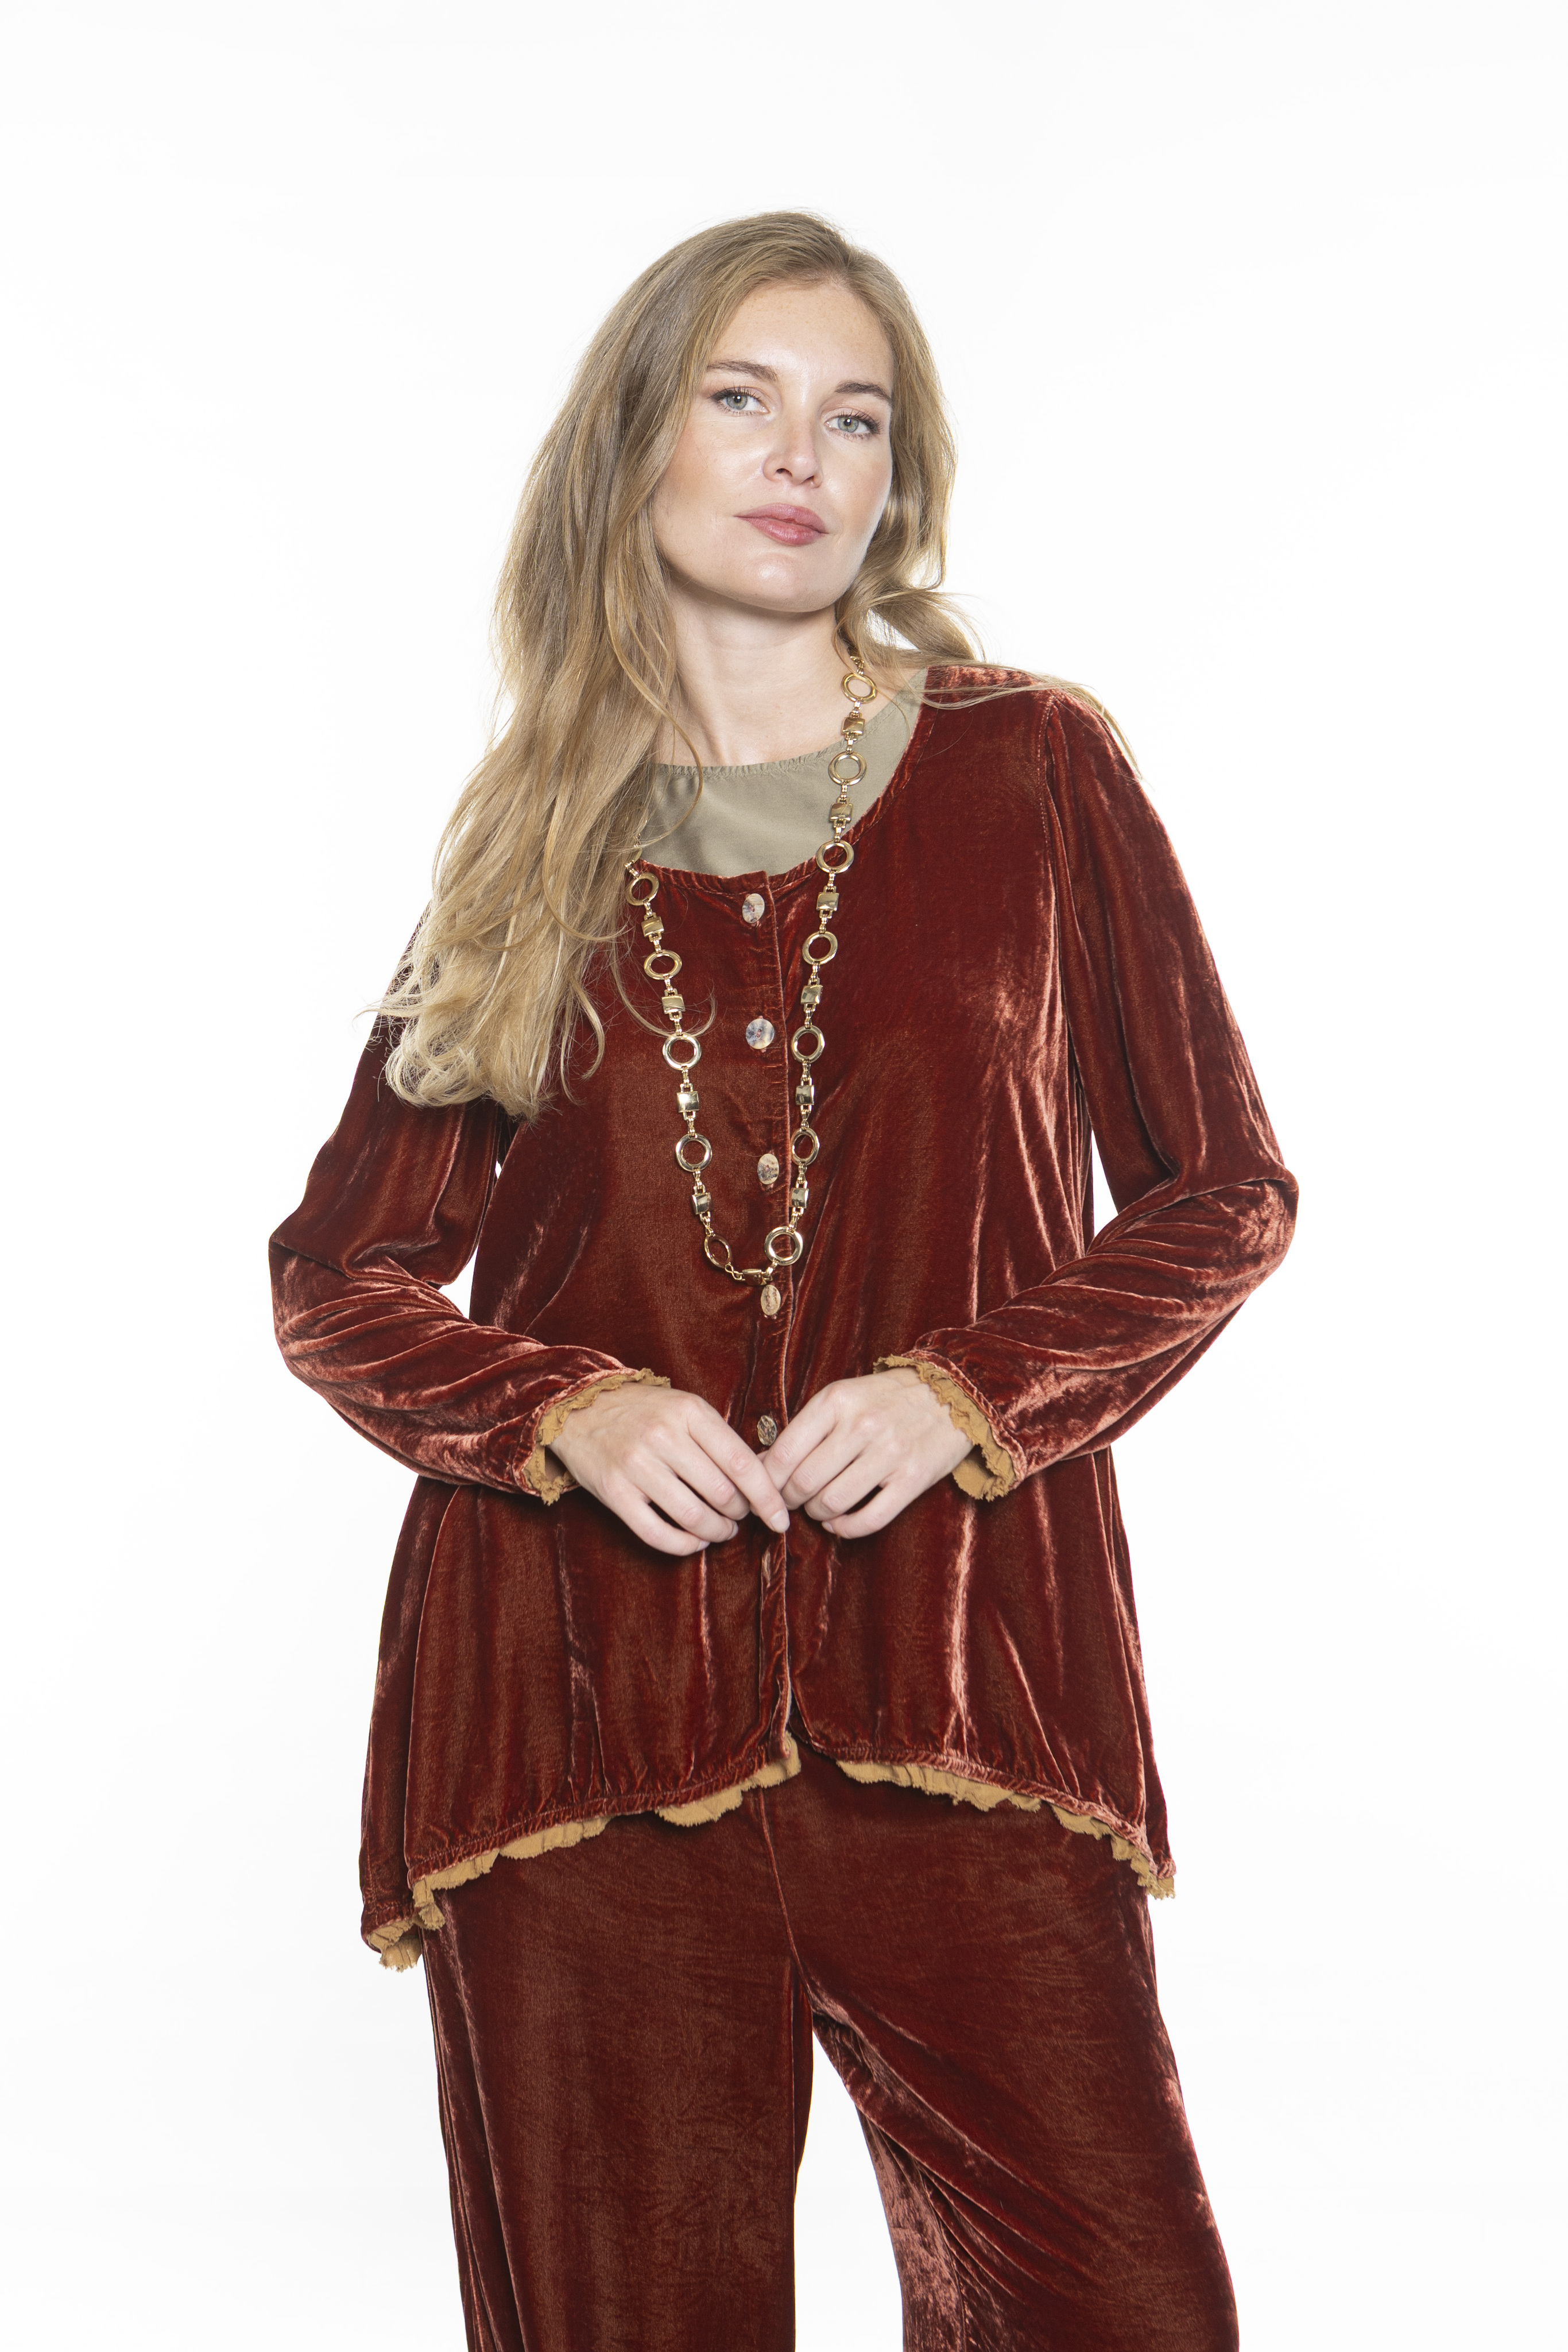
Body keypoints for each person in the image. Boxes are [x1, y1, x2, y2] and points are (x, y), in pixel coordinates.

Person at [270, 211, 1296, 2352]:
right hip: (572, 1717)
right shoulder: (527, 841)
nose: (799, 456)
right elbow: (340, 1274)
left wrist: (970, 1388)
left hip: (961, 1687)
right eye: (740, 398)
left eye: (855, 417)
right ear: (634, 441)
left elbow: (1220, 1190)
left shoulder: (1034, 770)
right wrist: (561, 1407)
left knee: (1119, 2302)